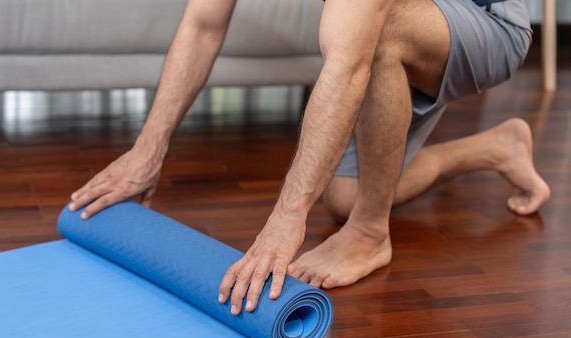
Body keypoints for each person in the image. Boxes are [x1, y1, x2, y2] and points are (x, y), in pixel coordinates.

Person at [69, 0, 550, 316]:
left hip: (487, 23)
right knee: (344, 197)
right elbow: (202, 24)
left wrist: (287, 218)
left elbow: (348, 60)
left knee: (380, 36)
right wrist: (146, 152)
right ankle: (494, 148)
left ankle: (369, 235)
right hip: (413, 13)